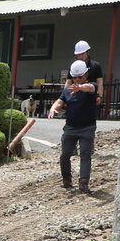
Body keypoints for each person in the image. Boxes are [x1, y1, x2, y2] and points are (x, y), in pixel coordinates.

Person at [48, 60, 97, 194]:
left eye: (79, 77)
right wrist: (54, 108)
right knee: (65, 155)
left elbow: (91, 88)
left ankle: (84, 182)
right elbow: (60, 100)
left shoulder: (91, 86)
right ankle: (66, 179)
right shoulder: (67, 90)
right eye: (74, 77)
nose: (77, 79)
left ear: (86, 75)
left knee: (85, 155)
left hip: (87, 127)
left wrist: (80, 87)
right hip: (70, 128)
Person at [73, 40, 105, 111]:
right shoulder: (74, 66)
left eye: (82, 54)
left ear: (87, 52)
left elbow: (99, 82)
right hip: (77, 96)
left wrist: (100, 96)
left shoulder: (95, 66)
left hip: (91, 96)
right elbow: (68, 82)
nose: (80, 56)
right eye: (78, 54)